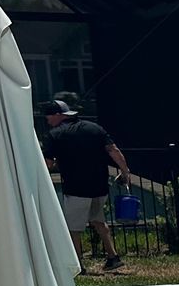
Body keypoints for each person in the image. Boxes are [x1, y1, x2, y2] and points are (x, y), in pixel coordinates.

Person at [40, 100, 128, 273]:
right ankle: (113, 257)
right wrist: (125, 171)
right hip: (99, 186)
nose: (47, 120)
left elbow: (47, 164)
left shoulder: (54, 135)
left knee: (73, 228)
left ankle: (78, 265)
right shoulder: (94, 128)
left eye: (49, 116)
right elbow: (113, 150)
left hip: (76, 188)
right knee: (98, 220)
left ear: (59, 115)